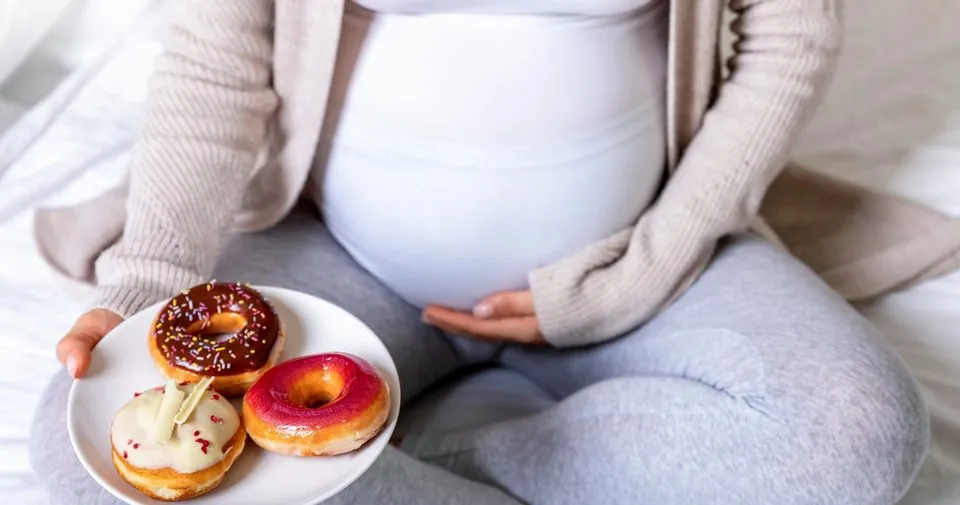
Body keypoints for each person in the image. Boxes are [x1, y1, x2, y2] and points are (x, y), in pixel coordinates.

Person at [29, 1, 933, 504]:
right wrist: (151, 283)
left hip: (638, 259)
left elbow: (791, 31)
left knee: (854, 438)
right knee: (87, 461)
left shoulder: (649, 266)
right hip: (349, 257)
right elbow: (216, 64)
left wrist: (648, 266)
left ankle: (451, 459)